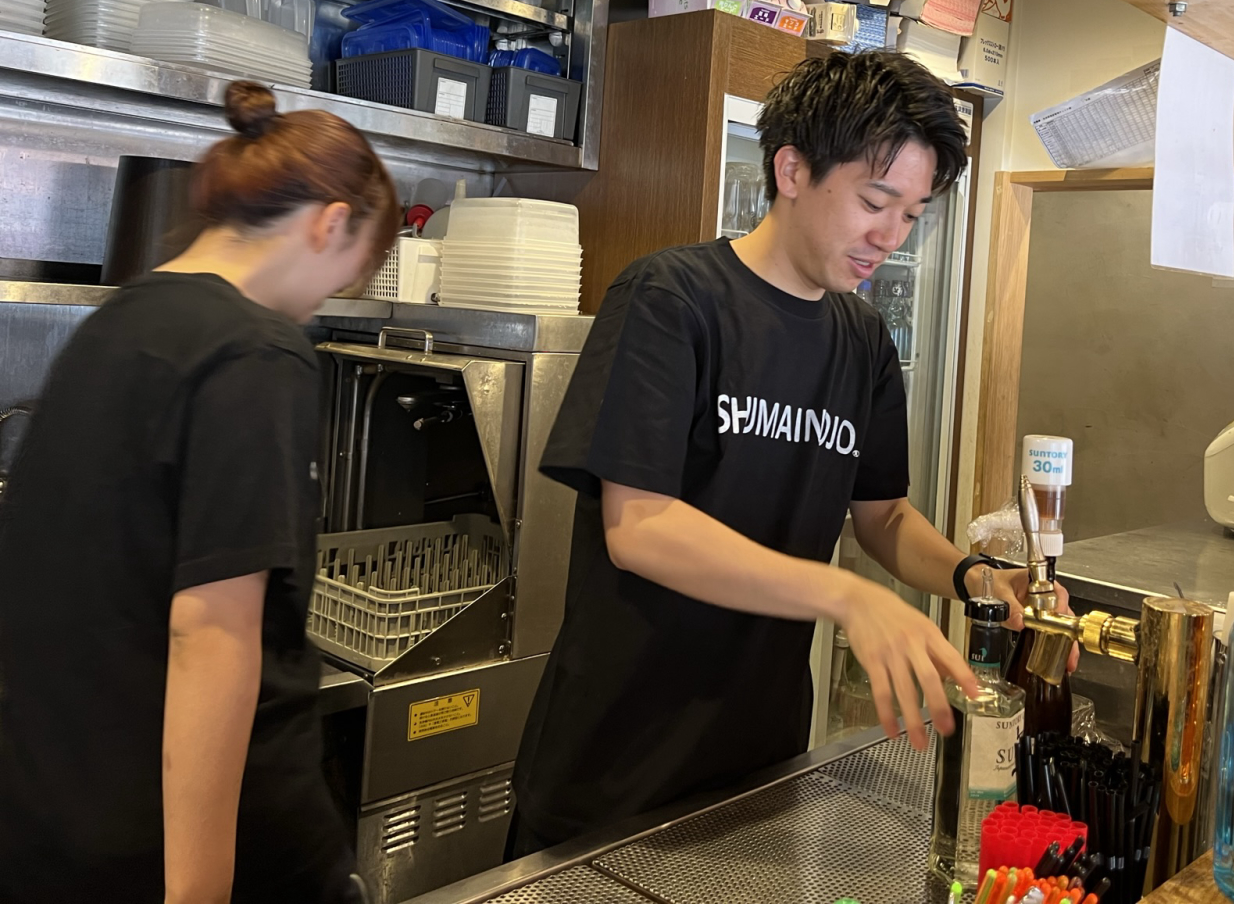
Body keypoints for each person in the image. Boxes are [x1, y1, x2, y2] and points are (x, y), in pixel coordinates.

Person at [510, 49, 1073, 854]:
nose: (889, 235)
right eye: (876, 201)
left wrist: (971, 576)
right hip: (614, 765)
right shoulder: (672, 299)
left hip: (760, 762)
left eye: (912, 214)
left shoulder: (863, 339)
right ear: (793, 168)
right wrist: (845, 596)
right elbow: (639, 528)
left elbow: (881, 516)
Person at [0, 82, 400, 904]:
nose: (324, 303)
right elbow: (211, 637)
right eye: (345, 279)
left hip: (59, 822)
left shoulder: (118, 321)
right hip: (197, 849)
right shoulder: (256, 351)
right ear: (330, 223)